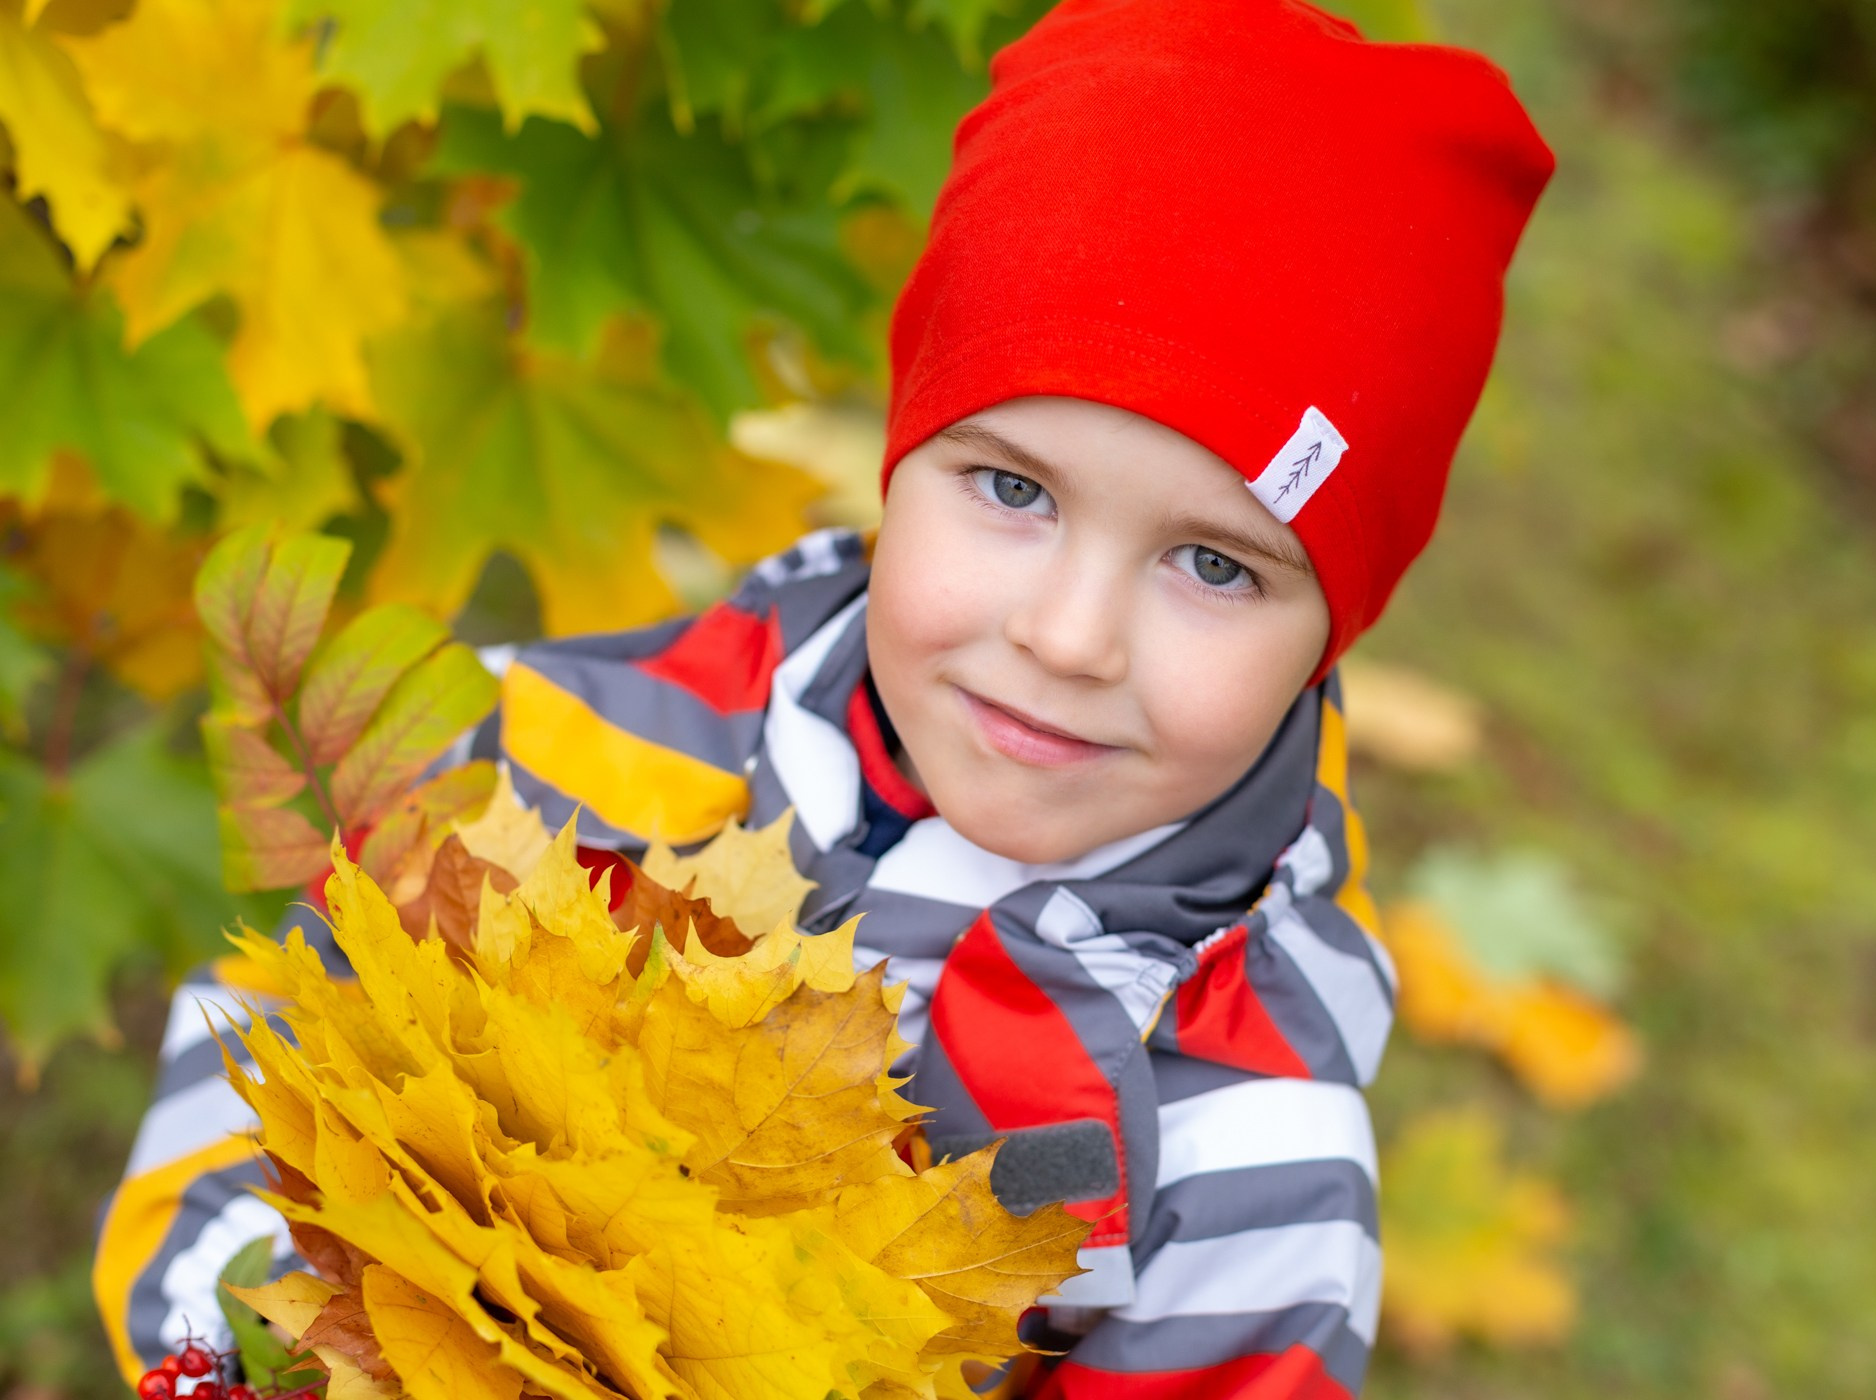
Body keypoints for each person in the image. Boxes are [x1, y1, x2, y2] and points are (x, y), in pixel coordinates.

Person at [95, 0, 1552, 1394]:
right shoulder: (546, 751)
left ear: (1330, 632)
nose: (1067, 635)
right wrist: (255, 1361)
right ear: (897, 458)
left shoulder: (1244, 1160)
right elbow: (268, 1077)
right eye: (1012, 488)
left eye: (1216, 567)